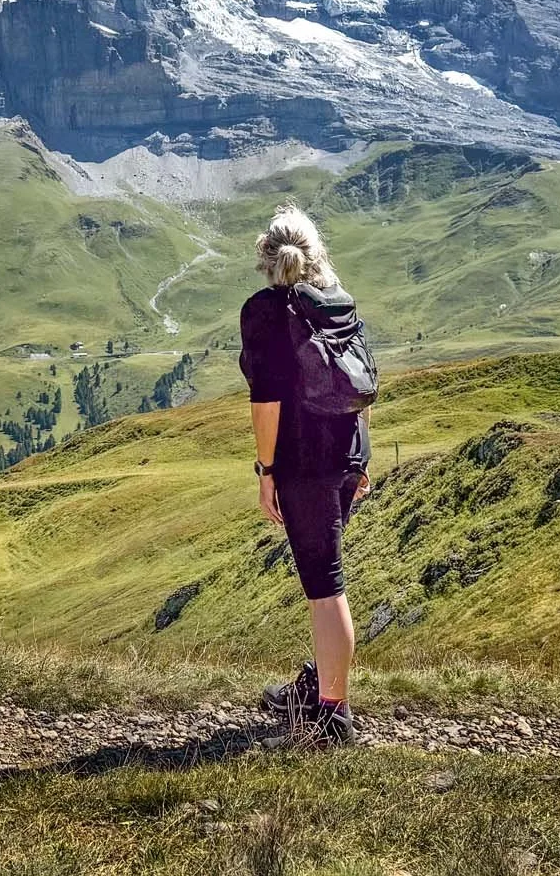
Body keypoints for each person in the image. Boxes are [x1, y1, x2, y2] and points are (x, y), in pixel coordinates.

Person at [240, 205, 371, 747]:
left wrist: (267, 469)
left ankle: (330, 722)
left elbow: (266, 401)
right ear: (316, 255)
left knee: (325, 588)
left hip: (303, 462)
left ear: (267, 259)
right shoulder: (339, 302)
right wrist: (363, 461)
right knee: (326, 578)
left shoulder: (266, 312)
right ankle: (318, 688)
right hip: (347, 453)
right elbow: (364, 383)